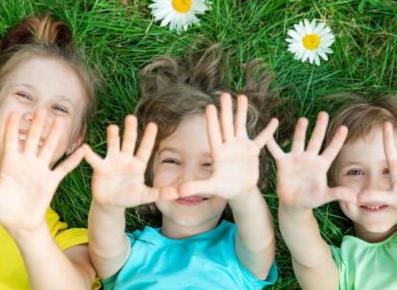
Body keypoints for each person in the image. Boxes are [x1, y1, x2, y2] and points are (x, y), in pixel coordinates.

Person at [84, 45, 288, 289]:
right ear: (150, 171)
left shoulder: (237, 254)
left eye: (210, 164)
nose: (188, 179)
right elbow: (103, 250)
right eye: (172, 160)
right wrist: (108, 206)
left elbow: (261, 243)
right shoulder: (132, 255)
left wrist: (244, 193)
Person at [0, 14, 100, 289]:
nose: (38, 116)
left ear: (76, 138)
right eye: (24, 95)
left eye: (59, 108)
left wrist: (29, 231)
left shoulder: (69, 244)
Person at [267, 96, 397, 289]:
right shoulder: (346, 266)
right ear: (331, 180)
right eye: (355, 172)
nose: (372, 187)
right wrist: (295, 210)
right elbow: (308, 260)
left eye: (389, 171)